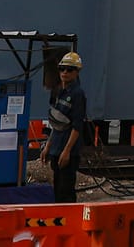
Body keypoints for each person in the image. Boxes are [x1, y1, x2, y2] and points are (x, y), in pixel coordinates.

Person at [45, 50, 90, 204]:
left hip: (68, 151)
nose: (65, 72)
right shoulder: (59, 92)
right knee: (58, 189)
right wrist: (48, 146)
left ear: (76, 72)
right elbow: (56, 123)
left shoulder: (77, 94)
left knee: (66, 191)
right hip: (57, 148)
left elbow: (77, 126)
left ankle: (68, 217)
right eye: (62, 69)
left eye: (69, 69)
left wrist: (67, 151)